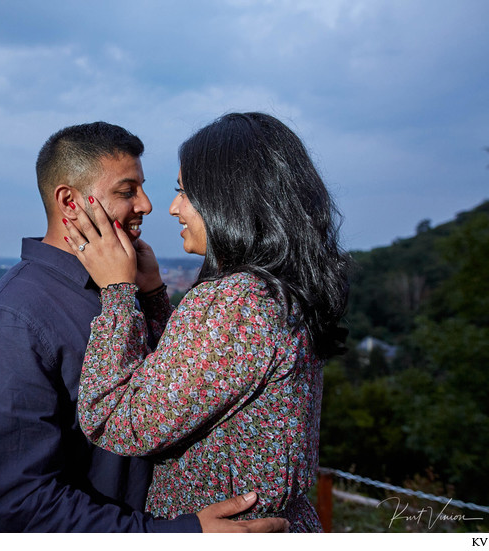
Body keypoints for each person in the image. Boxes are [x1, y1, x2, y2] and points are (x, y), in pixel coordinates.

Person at [0, 121, 289, 533]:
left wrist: (148, 295)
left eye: (143, 187)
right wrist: (179, 534)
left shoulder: (121, 286)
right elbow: (24, 505)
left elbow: (175, 392)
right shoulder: (14, 318)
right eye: (126, 191)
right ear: (70, 202)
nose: (148, 205)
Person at [64, 112, 350, 532]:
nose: (173, 207)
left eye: (185, 192)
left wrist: (118, 292)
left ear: (228, 198)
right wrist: (155, 295)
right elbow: (198, 383)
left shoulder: (237, 300)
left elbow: (113, 419)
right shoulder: (273, 290)